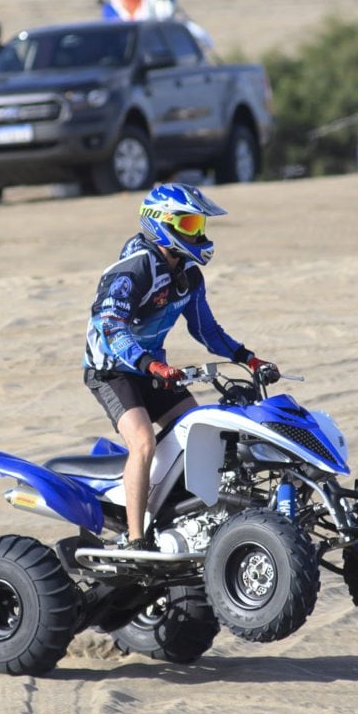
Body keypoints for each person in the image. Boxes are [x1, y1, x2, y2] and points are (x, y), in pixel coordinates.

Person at [85, 184, 276, 549]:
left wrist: (247, 357)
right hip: (112, 370)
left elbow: (206, 329)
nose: (198, 234)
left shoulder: (188, 275)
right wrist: (149, 364)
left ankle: (184, 513)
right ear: (161, 226)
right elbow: (109, 325)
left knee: (200, 430)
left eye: (199, 226)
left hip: (153, 369)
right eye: (189, 225)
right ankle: (136, 538)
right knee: (142, 443)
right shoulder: (134, 270)